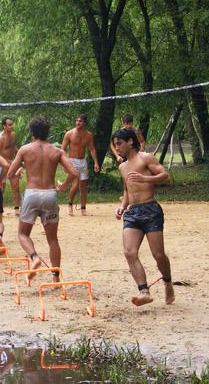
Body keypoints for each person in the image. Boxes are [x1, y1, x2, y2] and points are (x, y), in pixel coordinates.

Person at [7, 117, 77, 282]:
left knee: (23, 234)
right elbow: (74, 173)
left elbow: (10, 173)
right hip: (50, 194)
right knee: (52, 239)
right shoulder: (57, 151)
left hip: (32, 193)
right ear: (48, 133)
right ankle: (55, 277)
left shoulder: (24, 149)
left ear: (32, 132)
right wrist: (64, 186)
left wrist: (17, 173)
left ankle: (34, 257)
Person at [112, 128, 175, 307]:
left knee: (158, 254)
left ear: (130, 142)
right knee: (129, 252)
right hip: (132, 213)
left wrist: (145, 179)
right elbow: (127, 189)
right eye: (115, 145)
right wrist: (122, 207)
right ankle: (143, 291)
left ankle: (168, 282)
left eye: (119, 144)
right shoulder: (122, 167)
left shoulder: (145, 158)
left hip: (150, 210)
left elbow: (165, 177)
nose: (117, 148)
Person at [61, 115, 100, 215]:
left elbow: (92, 149)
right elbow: (62, 150)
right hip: (72, 161)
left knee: (83, 186)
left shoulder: (88, 135)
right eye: (77, 120)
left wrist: (96, 162)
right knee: (75, 184)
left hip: (82, 162)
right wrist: (65, 163)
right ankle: (70, 205)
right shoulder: (69, 133)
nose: (78, 122)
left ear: (84, 123)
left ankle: (83, 209)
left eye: (80, 121)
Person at [0, 117, 22, 215]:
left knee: (16, 186)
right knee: (1, 187)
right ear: (4, 126)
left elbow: (13, 147)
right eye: (10, 125)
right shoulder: (0, 138)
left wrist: (21, 155)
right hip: (1, 165)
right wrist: (8, 162)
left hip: (11, 164)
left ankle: (17, 209)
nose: (12, 126)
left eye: (12, 124)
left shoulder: (13, 135)